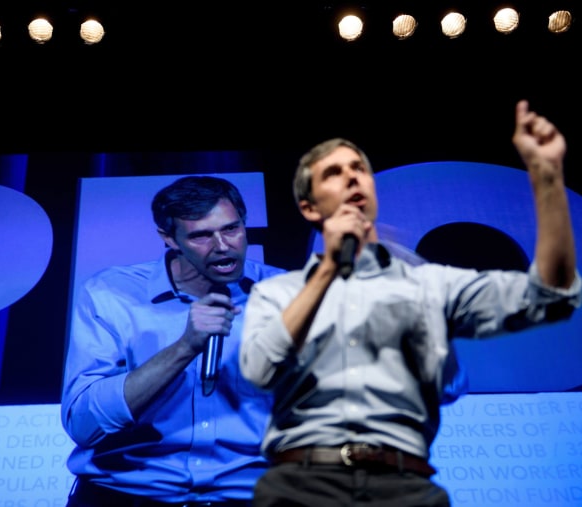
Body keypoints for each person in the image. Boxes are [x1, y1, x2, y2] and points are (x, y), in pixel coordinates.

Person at [238, 100, 580, 507]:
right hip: (301, 485)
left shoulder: (428, 285)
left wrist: (547, 179)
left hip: (403, 485)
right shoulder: (275, 292)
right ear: (309, 207)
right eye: (334, 173)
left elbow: (552, 297)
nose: (352, 180)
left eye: (359, 171)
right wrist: (329, 272)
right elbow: (259, 371)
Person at [61, 175, 286, 506]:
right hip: (127, 495)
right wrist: (184, 347)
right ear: (169, 238)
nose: (223, 246)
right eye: (201, 236)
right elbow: (83, 424)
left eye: (231, 229)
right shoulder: (111, 295)